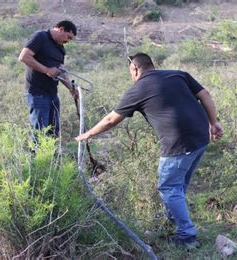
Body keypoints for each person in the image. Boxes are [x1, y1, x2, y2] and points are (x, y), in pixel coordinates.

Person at [75, 53, 223, 249]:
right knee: (177, 187)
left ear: (135, 69)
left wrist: (87, 134)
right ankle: (171, 223)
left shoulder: (138, 89)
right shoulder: (178, 75)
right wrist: (213, 122)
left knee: (169, 188)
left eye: (131, 72)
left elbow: (111, 120)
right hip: (200, 137)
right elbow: (205, 94)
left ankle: (187, 237)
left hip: (179, 143)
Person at [19, 20, 78, 140]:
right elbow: (24, 57)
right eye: (68, 37)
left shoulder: (61, 48)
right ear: (61, 29)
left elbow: (62, 70)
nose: (68, 41)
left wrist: (71, 88)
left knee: (53, 132)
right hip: (37, 94)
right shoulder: (40, 37)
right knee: (39, 132)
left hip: (52, 94)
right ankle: (37, 158)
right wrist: (46, 70)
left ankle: (52, 158)